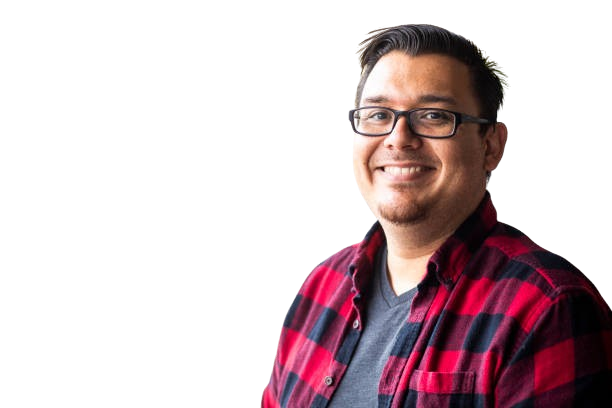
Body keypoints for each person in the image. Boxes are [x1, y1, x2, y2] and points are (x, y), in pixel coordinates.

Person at [261, 24, 612, 407]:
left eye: (433, 116)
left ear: (491, 146)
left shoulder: (546, 307)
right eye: (377, 114)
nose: (398, 138)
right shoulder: (320, 287)